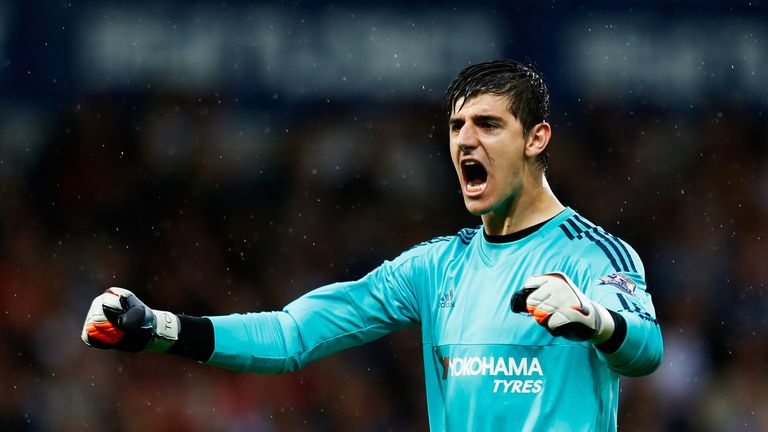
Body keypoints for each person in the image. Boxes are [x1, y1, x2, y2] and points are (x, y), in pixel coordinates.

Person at [81, 59, 663, 431]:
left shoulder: (592, 255)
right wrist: (158, 328)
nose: (466, 141)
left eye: (488, 125)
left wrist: (595, 321)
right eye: (457, 127)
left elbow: (645, 350)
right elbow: (291, 335)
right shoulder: (436, 267)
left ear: (537, 138)